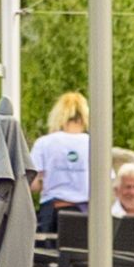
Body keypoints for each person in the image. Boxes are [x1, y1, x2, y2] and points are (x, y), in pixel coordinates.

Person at [26, 89, 88, 233]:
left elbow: (31, 184)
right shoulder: (95, 144)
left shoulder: (45, 143)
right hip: (87, 213)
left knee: (49, 254)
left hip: (54, 211)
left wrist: (46, 181)